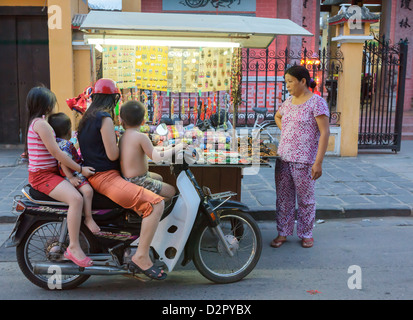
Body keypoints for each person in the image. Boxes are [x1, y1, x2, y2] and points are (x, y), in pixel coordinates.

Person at [77, 78, 167, 280]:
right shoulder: (104, 118)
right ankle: (141, 256)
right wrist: (124, 143)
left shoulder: (87, 117)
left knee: (158, 181)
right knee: (156, 205)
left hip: (98, 176)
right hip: (106, 178)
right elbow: (112, 155)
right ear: (113, 98)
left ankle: (142, 238)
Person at [25, 86, 95, 267]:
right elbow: (57, 153)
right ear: (47, 105)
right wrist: (80, 168)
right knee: (76, 200)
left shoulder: (37, 122)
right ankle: (73, 247)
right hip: (43, 177)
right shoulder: (41, 124)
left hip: (48, 174)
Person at [271, 66, 330, 249]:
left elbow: (325, 132)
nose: (287, 85)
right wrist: (287, 131)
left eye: (290, 81)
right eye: (286, 82)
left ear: (302, 81)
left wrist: (318, 162)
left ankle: (306, 233)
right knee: (283, 198)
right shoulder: (287, 102)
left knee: (306, 199)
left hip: (304, 161)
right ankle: (283, 232)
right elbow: (277, 116)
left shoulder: (317, 103)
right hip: (284, 158)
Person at [119, 100, 184, 200]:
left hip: (130, 178)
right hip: (138, 181)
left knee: (159, 178)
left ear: (122, 121)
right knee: (172, 192)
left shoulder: (124, 137)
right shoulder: (141, 137)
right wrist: (177, 148)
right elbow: (156, 157)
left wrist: (166, 148)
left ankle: (150, 202)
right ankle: (152, 207)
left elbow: (150, 150)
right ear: (143, 121)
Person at [47, 112, 100, 234]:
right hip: (72, 173)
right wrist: (71, 177)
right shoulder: (65, 144)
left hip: (69, 172)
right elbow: (63, 161)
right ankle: (88, 218)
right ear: (68, 129)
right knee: (88, 191)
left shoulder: (56, 142)